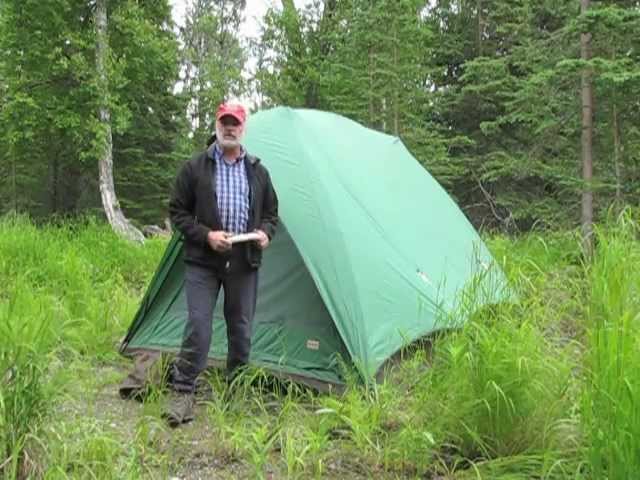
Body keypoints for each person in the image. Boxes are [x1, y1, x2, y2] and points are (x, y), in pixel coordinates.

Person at [164, 103, 279, 427]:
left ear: (243, 129)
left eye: (235, 123)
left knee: (241, 329)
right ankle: (183, 392)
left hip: (244, 260)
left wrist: (265, 233)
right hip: (203, 261)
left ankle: (236, 393)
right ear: (216, 125)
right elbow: (177, 212)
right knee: (199, 326)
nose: (230, 128)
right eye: (225, 122)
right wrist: (207, 235)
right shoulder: (195, 167)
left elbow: (271, 214)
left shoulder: (258, 171)